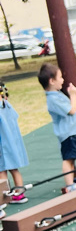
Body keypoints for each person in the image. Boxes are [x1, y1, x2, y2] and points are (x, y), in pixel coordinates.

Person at [38, 63, 76, 193]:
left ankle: (74, 178)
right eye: (60, 77)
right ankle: (70, 185)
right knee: (68, 160)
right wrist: (73, 94)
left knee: (72, 158)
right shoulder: (53, 99)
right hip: (69, 133)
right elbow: (71, 110)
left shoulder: (57, 94)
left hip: (73, 131)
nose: (63, 80)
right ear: (52, 81)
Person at [0, 81, 29, 211]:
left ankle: (3, 198)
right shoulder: (6, 105)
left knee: (1, 171)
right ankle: (19, 193)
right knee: (14, 169)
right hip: (10, 142)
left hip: (2, 145)